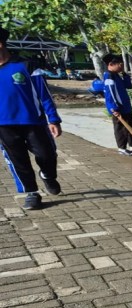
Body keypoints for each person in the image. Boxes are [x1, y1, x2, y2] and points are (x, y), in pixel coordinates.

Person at [0, 25, 62, 210]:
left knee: (47, 154)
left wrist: (53, 119)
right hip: (4, 126)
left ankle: (48, 175)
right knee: (17, 160)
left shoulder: (27, 66)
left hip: (34, 122)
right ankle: (32, 192)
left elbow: (44, 94)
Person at [102, 54, 132, 156]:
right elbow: (110, 94)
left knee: (131, 126)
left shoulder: (117, 75)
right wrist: (113, 108)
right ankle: (122, 148)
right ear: (111, 64)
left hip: (126, 107)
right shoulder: (109, 76)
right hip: (118, 108)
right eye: (120, 65)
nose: (121, 67)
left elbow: (128, 86)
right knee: (121, 129)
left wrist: (124, 74)